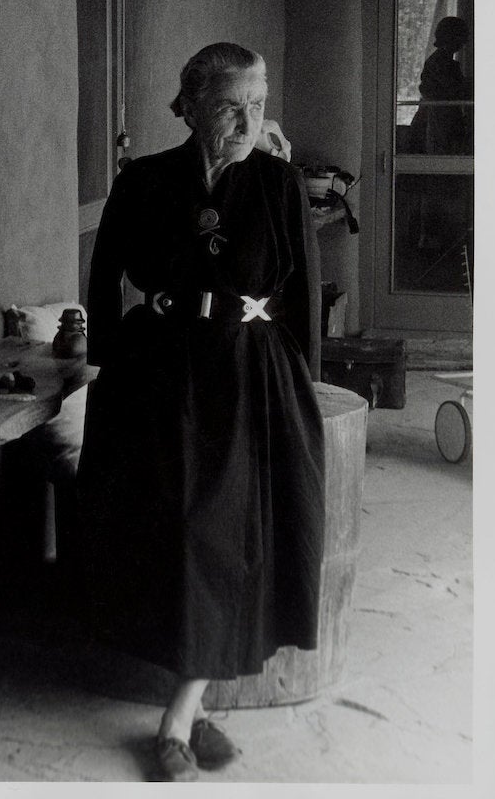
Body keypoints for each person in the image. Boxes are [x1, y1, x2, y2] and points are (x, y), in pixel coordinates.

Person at [76, 42, 325, 782]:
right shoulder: (144, 180)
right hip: (157, 372)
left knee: (222, 535)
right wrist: (108, 362)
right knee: (172, 535)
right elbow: (103, 276)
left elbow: (303, 296)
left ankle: (176, 721)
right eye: (229, 106)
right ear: (189, 107)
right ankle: (200, 706)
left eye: (257, 103)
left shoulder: (280, 184)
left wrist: (300, 383)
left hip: (247, 376)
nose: (248, 119)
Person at [410, 16, 471, 155]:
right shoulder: (440, 63)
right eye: (460, 37)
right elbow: (454, 90)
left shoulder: (442, 61)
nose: (463, 43)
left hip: (441, 119)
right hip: (438, 120)